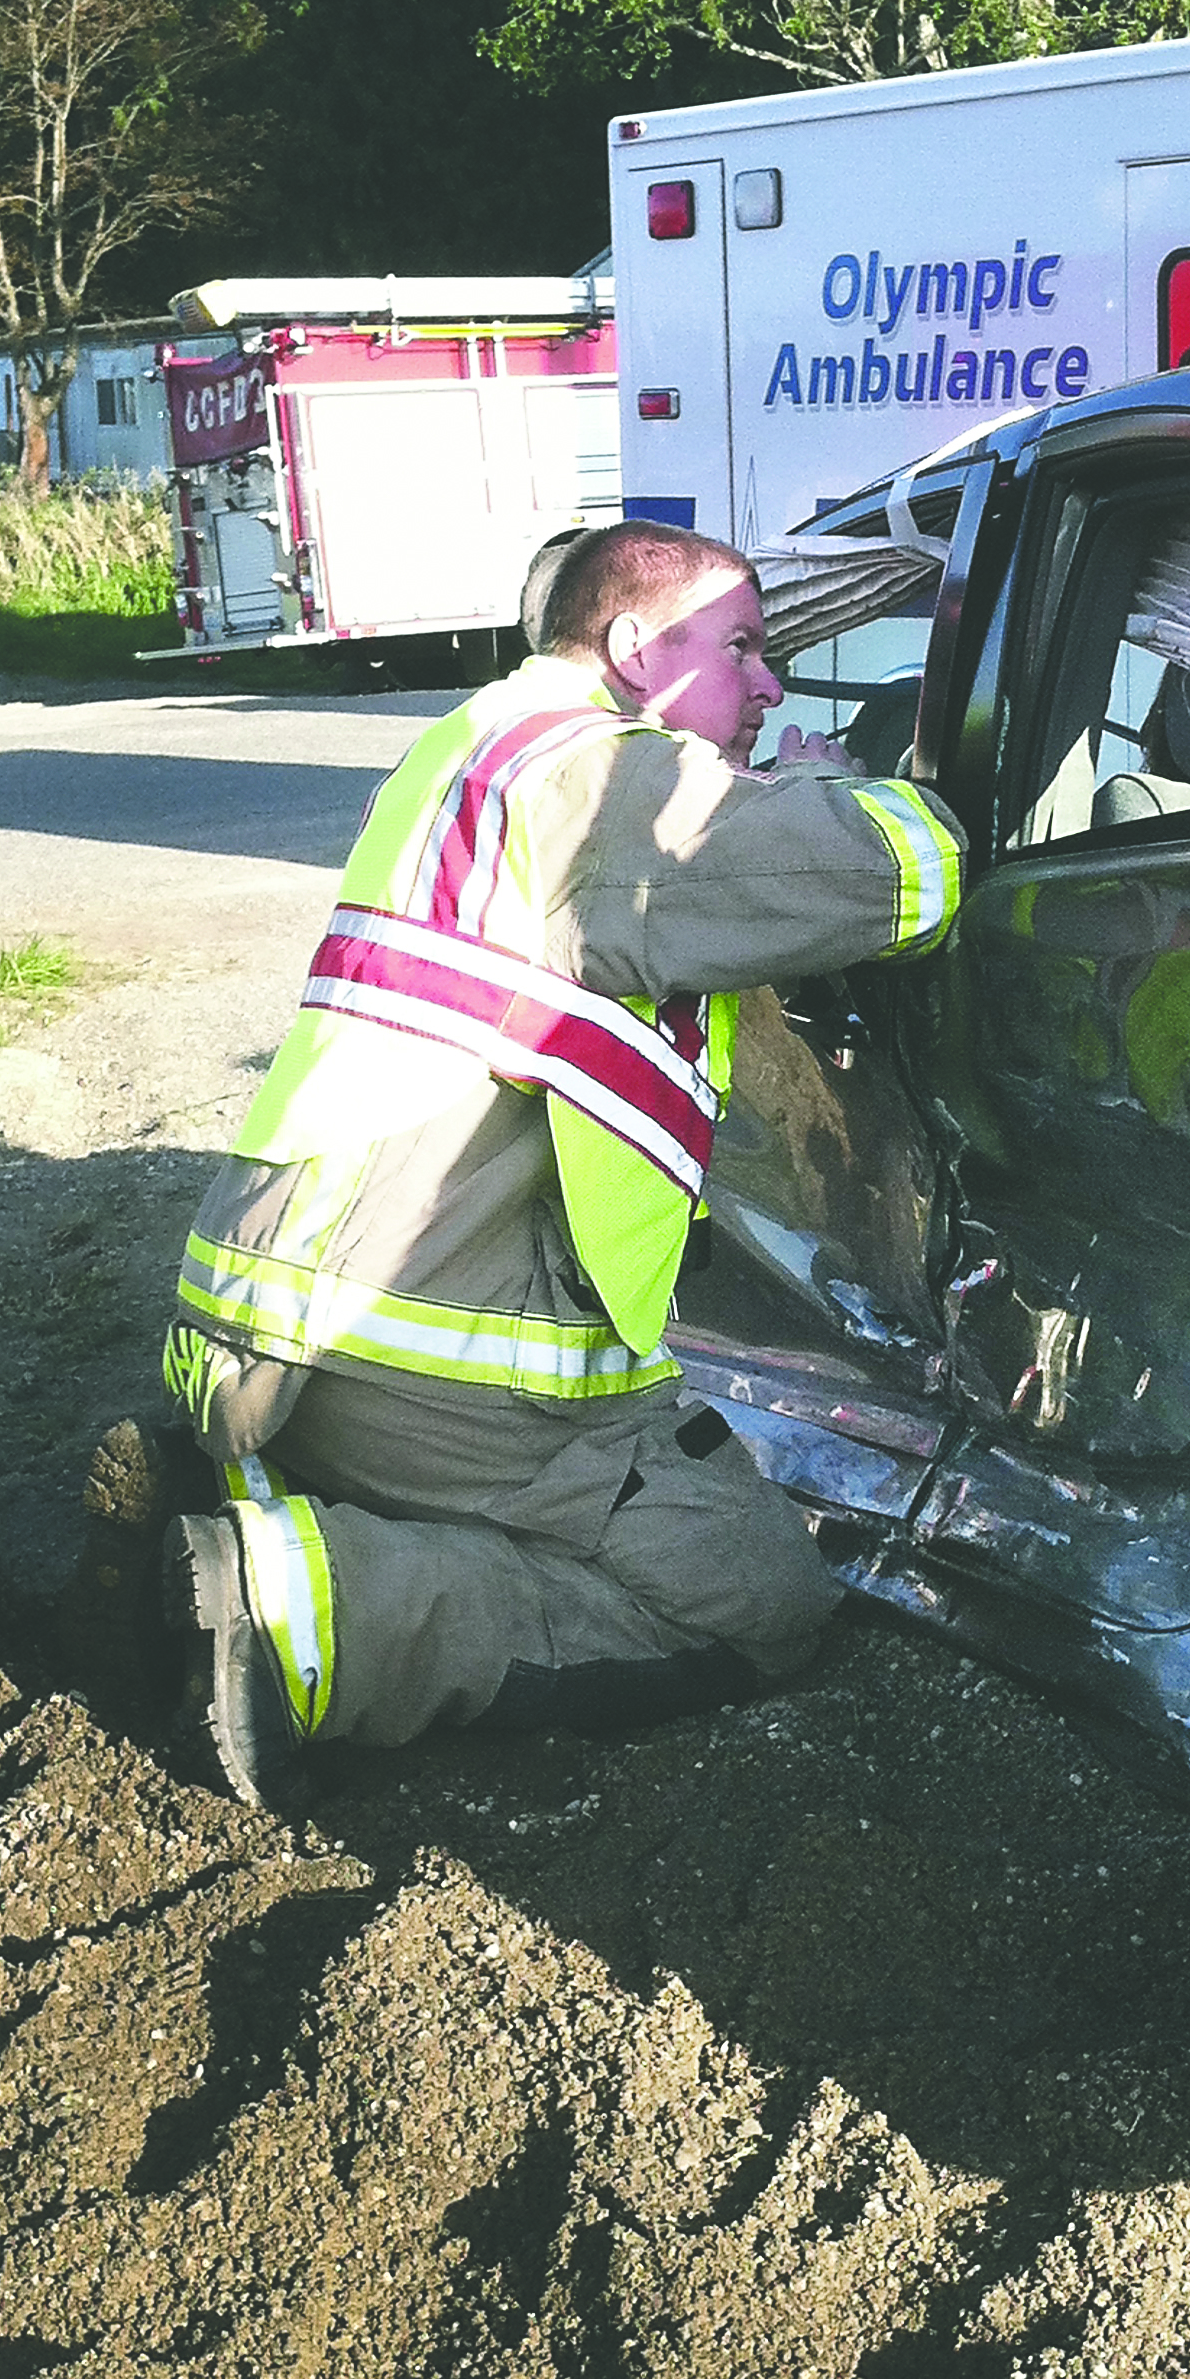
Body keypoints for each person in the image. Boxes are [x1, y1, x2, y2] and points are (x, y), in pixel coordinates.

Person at [158, 520, 965, 1810]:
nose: (770, 686)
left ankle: (298, 1506)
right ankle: (307, 1613)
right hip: (395, 1352)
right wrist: (850, 789)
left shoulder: (482, 745)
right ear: (638, 649)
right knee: (760, 1600)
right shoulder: (598, 779)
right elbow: (899, 879)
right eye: (747, 649)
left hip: (276, 1313)